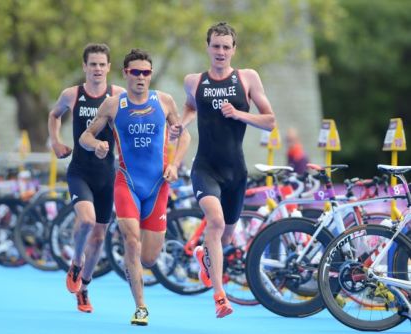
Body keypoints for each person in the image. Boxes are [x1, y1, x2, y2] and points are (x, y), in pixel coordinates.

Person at [79, 48, 190, 326]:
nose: (141, 77)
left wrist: (175, 164)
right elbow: (85, 136)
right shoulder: (112, 105)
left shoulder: (164, 101)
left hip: (157, 185)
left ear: (150, 75)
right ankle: (140, 306)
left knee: (150, 259)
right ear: (125, 74)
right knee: (131, 240)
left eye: (146, 73)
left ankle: (163, 257)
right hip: (126, 182)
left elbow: (184, 135)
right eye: (136, 72)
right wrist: (97, 145)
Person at [173, 22, 276, 318]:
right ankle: (220, 296)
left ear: (234, 50)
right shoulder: (193, 80)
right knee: (215, 223)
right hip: (205, 167)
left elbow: (270, 120)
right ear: (207, 48)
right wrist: (182, 123)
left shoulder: (247, 78)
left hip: (236, 171)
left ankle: (205, 255)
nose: (220, 51)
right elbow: (191, 107)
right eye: (215, 46)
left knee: (226, 236)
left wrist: (239, 113)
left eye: (226, 47)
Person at [48, 43, 125, 313]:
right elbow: (54, 115)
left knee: (99, 237)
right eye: (92, 64)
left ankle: (85, 287)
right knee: (86, 221)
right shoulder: (72, 95)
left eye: (102, 64)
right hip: (80, 170)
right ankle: (76, 261)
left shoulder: (118, 95)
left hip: (108, 174)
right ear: (84, 67)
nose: (97, 69)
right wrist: (56, 142)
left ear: (109, 68)